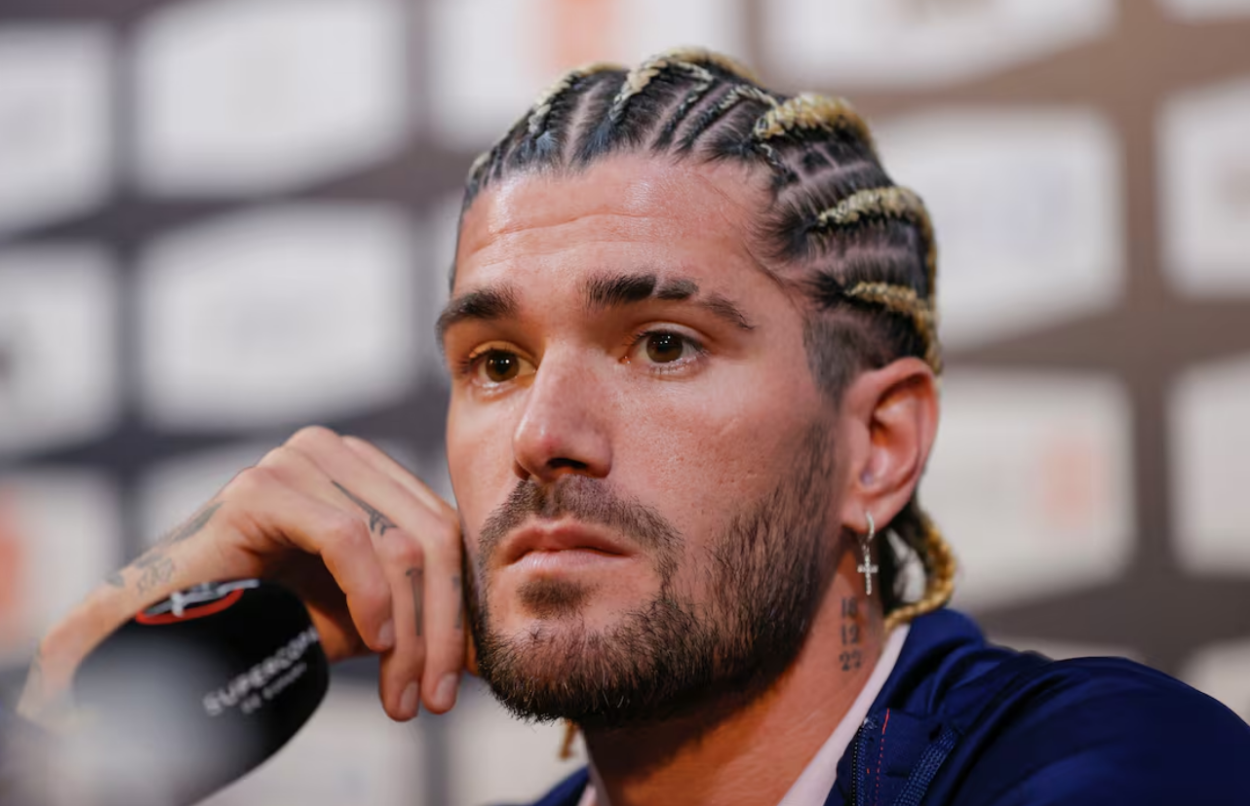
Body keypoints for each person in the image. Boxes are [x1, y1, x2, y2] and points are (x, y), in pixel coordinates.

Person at [10, 48, 1250, 805]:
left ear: (874, 447)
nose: (542, 433)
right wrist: (86, 727)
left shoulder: (1110, 764)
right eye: (495, 362)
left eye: (662, 343)